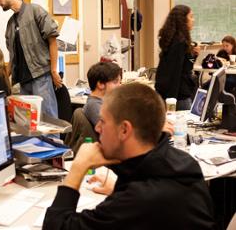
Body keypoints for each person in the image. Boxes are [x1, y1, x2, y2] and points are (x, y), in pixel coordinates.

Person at [43, 83, 216, 230]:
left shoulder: (140, 200)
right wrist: (119, 188)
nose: (97, 128)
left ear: (124, 129)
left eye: (103, 121)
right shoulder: (180, 160)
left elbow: (56, 225)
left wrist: (78, 167)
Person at [0, 0, 62, 125]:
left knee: (48, 122)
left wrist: (54, 71)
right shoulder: (10, 24)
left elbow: (52, 41)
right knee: (29, 124)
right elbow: (13, 57)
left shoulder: (35, 11)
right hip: (23, 82)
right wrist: (2, 79)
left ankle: (57, 147)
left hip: (41, 76)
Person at [155, 5, 200, 110]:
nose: (193, 20)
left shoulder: (174, 38)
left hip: (172, 92)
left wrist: (193, 55)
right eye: (191, 17)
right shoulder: (179, 42)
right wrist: (172, 101)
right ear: (182, 20)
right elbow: (175, 72)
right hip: (178, 96)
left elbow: (186, 68)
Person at [83, 62, 121, 127]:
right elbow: (111, 132)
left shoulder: (101, 103)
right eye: (115, 82)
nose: (119, 85)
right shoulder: (94, 106)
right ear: (100, 84)